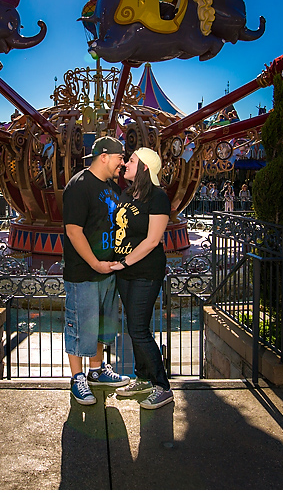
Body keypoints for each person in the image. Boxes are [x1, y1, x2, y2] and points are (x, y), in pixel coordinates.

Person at [62, 136, 130, 405]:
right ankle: (77, 378)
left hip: (108, 271)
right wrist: (94, 263)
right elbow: (73, 230)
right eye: (119, 157)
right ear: (104, 156)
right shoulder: (79, 186)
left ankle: (97, 370)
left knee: (101, 324)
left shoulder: (111, 187)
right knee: (80, 325)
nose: (122, 163)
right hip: (85, 273)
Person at [109, 148, 174, 410]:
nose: (126, 163)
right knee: (135, 327)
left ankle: (162, 386)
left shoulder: (158, 198)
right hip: (125, 271)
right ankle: (143, 378)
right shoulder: (126, 193)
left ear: (145, 167)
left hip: (145, 271)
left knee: (138, 329)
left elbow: (152, 241)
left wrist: (124, 262)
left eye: (132, 160)